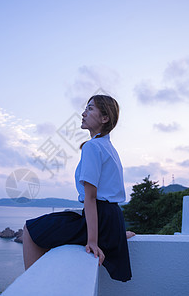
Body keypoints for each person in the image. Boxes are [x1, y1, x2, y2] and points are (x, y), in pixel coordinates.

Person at [22, 94, 132, 282]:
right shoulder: (109, 148)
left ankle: (32, 285)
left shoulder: (92, 147)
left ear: (105, 118)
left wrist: (92, 242)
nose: (83, 113)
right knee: (61, 220)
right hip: (112, 219)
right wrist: (117, 232)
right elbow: (110, 196)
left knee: (30, 229)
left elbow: (91, 198)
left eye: (90, 109)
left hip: (100, 218)